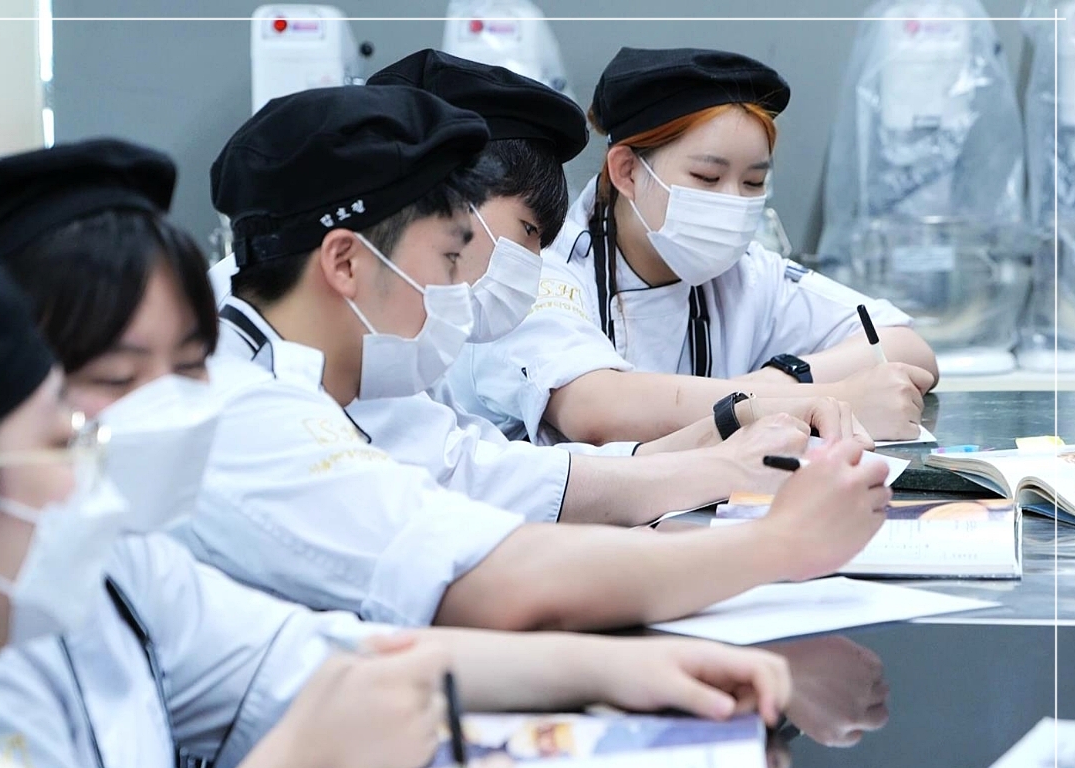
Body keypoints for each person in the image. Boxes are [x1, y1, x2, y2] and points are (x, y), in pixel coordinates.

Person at [0, 139, 797, 768]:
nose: (473, 284)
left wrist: (617, 673)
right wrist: (769, 546)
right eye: (105, 390)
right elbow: (475, 581)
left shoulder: (115, 566)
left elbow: (330, 658)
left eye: (186, 366)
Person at [194, 82, 892, 633]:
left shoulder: (315, 360)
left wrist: (718, 444)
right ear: (346, 262)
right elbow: (498, 577)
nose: (459, 289)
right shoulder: (248, 414)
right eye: (449, 258)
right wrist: (779, 542)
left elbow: (475, 473)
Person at [0, 224, 458, 768]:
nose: (85, 476)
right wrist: (299, 756)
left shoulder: (119, 571)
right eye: (63, 446)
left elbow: (309, 657)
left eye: (190, 363)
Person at [327, 48, 852, 527]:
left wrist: (727, 423)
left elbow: (494, 468)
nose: (533, 263)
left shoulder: (393, 364)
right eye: (527, 234)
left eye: (753, 183)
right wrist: (736, 486)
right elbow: (524, 472)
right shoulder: (301, 398)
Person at [441, 47, 940, 449]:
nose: (733, 202)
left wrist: (786, 379)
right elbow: (596, 408)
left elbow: (903, 344)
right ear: (627, 171)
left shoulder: (744, 273)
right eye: (707, 177)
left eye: (753, 182)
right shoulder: (543, 265)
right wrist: (815, 399)